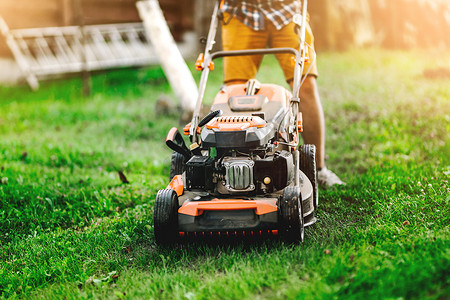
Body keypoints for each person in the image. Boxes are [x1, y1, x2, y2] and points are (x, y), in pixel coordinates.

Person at [219, 0, 345, 187]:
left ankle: (318, 169)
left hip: (286, 10)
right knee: (235, 92)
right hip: (240, 11)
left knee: (305, 85)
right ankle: (235, 170)